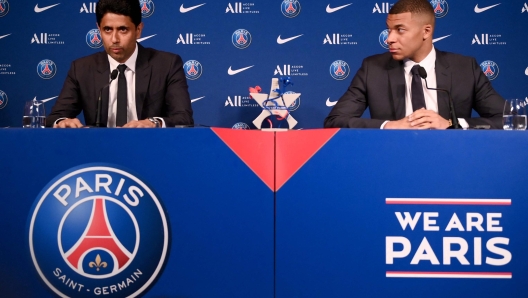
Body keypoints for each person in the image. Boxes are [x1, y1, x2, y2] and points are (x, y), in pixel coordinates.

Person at [324, 0, 504, 129]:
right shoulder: (372, 69)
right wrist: (390, 126)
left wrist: (451, 124)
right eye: (389, 30)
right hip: (394, 159)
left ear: (426, 31)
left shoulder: (465, 68)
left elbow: (511, 120)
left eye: (400, 30)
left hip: (450, 159)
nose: (389, 39)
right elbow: (335, 120)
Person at [46, 0, 193, 128]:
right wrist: (63, 122)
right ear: (99, 29)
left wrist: (153, 123)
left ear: (138, 30)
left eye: (123, 29)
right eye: (107, 30)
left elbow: (184, 119)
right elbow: (55, 117)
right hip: (100, 154)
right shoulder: (82, 69)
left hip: (150, 149)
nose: (114, 39)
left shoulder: (167, 65)